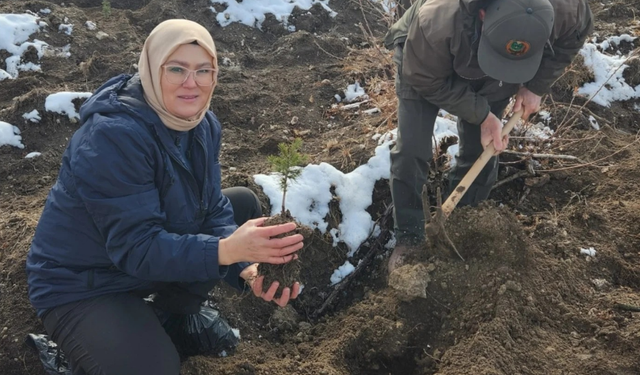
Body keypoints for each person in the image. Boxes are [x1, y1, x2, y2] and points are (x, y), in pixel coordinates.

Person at [25, 19, 303, 375]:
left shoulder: (201, 124)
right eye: (177, 69)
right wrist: (230, 249)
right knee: (154, 368)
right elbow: (135, 248)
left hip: (141, 264)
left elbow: (212, 207)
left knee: (241, 205)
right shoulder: (111, 138)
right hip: (84, 282)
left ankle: (169, 316)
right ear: (152, 71)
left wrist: (245, 268)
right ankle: (80, 349)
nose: (192, 83)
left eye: (204, 70)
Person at [385, 0, 593, 272]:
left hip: (497, 72)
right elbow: (424, 79)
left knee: (482, 152)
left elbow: (577, 31)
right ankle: (409, 238)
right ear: (483, 15)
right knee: (412, 149)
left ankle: (459, 226)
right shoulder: (438, 19)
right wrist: (481, 114)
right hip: (425, 59)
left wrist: (536, 85)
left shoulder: (564, 9)